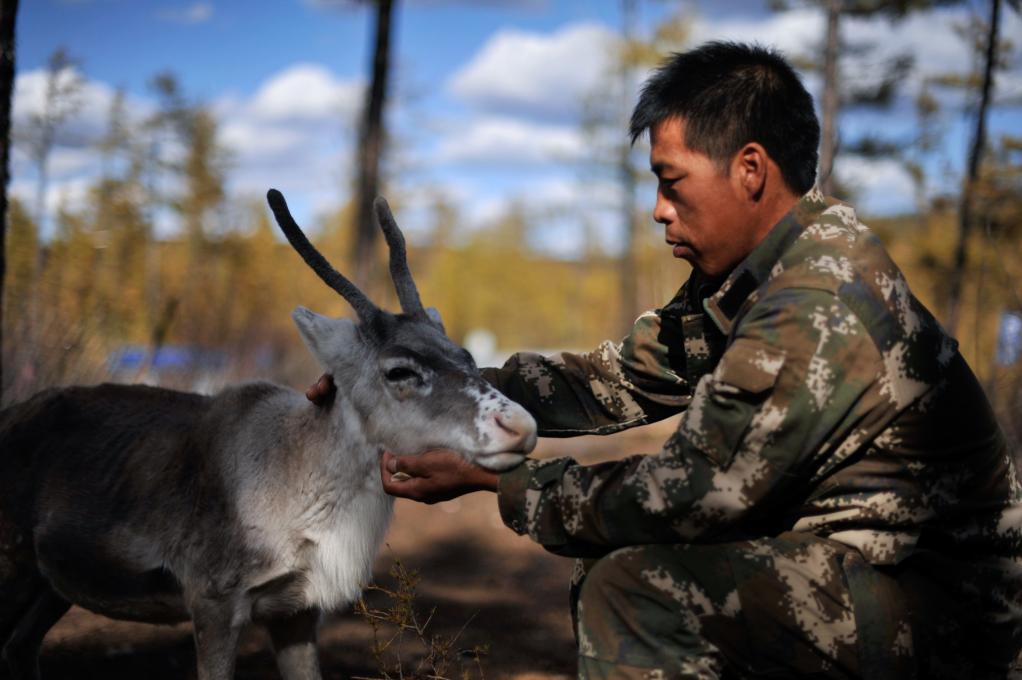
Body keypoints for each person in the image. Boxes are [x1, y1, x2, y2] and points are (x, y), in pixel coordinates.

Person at [309, 42, 1022, 679]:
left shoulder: (814, 302)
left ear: (750, 170)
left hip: (944, 615)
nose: (658, 209)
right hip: (857, 567)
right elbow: (615, 380)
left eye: (671, 181)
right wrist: (439, 388)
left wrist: (496, 481)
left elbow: (690, 493)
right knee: (622, 561)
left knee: (639, 590)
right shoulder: (750, 277)